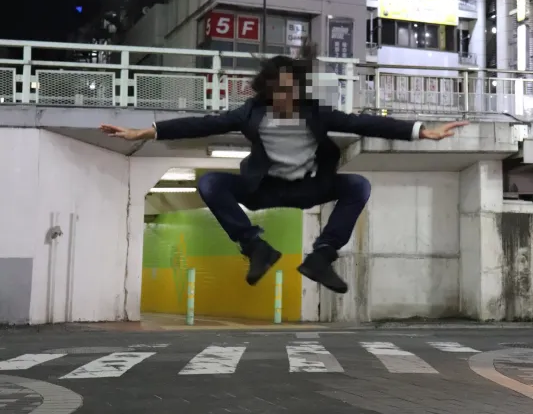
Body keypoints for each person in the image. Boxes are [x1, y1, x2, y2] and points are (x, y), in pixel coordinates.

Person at [101, 56, 467, 294]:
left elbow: (364, 123)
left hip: (309, 187)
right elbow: (202, 123)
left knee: (357, 185)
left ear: (299, 89)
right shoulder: (249, 113)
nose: (285, 97)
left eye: (291, 89)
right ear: (267, 90)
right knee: (210, 182)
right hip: (264, 189)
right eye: (278, 90)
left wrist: (422, 131)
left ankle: (322, 256)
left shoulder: (316, 113)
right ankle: (255, 247)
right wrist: (145, 132)